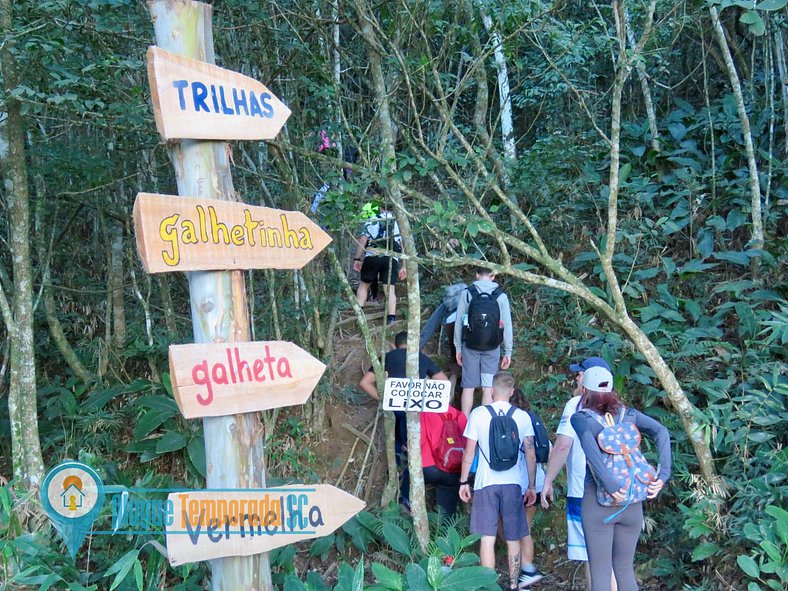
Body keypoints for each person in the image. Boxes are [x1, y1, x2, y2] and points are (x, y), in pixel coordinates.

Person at [570, 366, 671, 591]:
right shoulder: (630, 414)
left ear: (584, 389)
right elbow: (662, 432)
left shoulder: (580, 418)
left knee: (601, 574)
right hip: (631, 502)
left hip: (598, 503)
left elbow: (589, 448)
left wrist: (609, 484)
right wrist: (662, 475)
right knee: (624, 569)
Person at [541, 356, 618, 590]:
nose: (576, 377)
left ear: (590, 378)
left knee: (591, 554)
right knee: (610, 556)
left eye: (580, 373)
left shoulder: (576, 404)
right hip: (617, 490)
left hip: (584, 491)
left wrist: (547, 481)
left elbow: (563, 445)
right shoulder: (618, 407)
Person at [458, 372, 536, 591]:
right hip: (513, 484)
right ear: (511, 392)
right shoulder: (522, 416)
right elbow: (530, 454)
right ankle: (514, 585)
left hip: (485, 483)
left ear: (491, 390)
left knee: (487, 538)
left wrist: (463, 482)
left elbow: (469, 453)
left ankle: (489, 585)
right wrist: (531, 486)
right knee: (513, 538)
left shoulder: (478, 414)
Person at [358, 331, 448, 509]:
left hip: (394, 410)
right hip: (414, 412)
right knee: (411, 451)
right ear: (413, 343)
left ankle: (394, 488)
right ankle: (404, 498)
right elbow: (443, 381)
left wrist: (384, 399)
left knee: (398, 447)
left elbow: (364, 383)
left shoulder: (387, 357)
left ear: (396, 344)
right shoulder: (420, 358)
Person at [453, 268, 513, 417]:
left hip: (470, 346)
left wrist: (458, 347)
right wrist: (508, 351)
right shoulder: (501, 296)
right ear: (493, 276)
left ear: (477, 275)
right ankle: (484, 426)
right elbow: (507, 325)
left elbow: (459, 322)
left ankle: (464, 426)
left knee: (468, 387)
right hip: (492, 347)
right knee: (488, 387)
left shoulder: (468, 293)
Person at [353, 190, 406, 325]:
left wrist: (357, 259)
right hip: (391, 257)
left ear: (380, 207)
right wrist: (403, 265)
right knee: (390, 289)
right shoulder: (398, 222)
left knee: (364, 285)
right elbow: (402, 244)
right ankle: (391, 318)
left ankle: (360, 314)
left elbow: (363, 239)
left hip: (373, 255)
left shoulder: (373, 219)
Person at [511, 388, 546, 587]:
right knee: (526, 527)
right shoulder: (533, 418)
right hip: (536, 480)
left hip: (519, 480)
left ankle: (522, 573)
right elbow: (544, 448)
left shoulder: (512, 420)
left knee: (513, 529)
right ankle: (528, 569)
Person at [420, 404, 467, 520]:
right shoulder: (460, 415)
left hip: (428, 468)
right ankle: (444, 533)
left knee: (408, 476)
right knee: (446, 514)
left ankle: (405, 509)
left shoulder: (424, 412)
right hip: (453, 468)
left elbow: (419, 441)